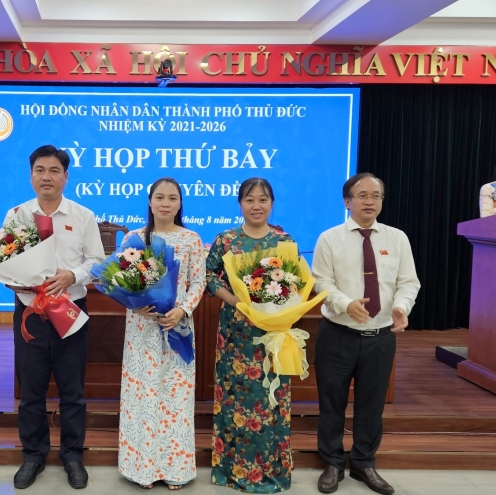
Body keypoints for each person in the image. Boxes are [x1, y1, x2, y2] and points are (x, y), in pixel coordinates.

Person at [311, 173, 420, 495]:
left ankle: (363, 463)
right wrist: (345, 304)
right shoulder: (330, 238)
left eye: (376, 196)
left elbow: (408, 282)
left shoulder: (397, 238)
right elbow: (321, 281)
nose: (369, 201)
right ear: (347, 201)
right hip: (338, 334)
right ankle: (332, 462)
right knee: (331, 402)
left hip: (380, 337)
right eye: (362, 195)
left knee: (371, 405)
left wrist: (401, 306)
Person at [8, 145, 104, 490]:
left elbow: (97, 262)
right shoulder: (16, 215)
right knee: (31, 391)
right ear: (31, 175)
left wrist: (72, 275)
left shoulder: (82, 215)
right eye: (40, 170)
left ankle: (72, 456)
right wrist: (10, 278)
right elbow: (2, 257)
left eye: (53, 171)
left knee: (72, 390)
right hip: (31, 314)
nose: (46, 177)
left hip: (70, 312)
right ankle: (33, 455)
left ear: (66, 176)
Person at [206, 177, 296, 493]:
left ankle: (271, 472)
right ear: (240, 204)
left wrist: (277, 306)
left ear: (271, 203)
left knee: (272, 400)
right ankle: (232, 471)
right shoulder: (225, 240)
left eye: (263, 199)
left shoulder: (284, 240)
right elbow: (208, 276)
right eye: (249, 199)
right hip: (236, 333)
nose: (256, 206)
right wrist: (236, 301)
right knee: (236, 400)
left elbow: (294, 283)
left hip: (273, 333)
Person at [118, 178, 206, 490]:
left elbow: (198, 282)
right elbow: (122, 281)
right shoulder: (133, 238)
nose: (165, 203)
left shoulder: (191, 239)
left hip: (177, 326)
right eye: (159, 197)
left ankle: (175, 469)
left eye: (172, 198)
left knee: (175, 398)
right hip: (142, 329)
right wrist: (135, 303)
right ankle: (142, 469)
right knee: (142, 398)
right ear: (150, 201)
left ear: (180, 203)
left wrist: (183, 309)